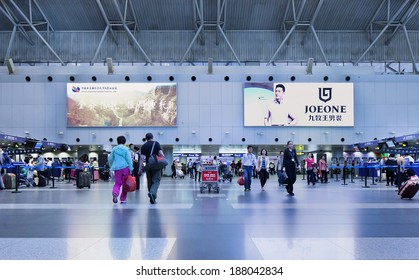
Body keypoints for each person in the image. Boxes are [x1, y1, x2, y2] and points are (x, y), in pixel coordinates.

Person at [139, 132, 165, 204]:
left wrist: (140, 169)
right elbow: (161, 154)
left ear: (146, 138)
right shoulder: (156, 143)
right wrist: (163, 160)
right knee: (156, 181)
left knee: (149, 181)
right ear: (152, 137)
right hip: (156, 165)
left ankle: (152, 197)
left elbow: (142, 158)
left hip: (148, 165)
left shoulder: (143, 146)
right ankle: (152, 193)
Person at [109, 136, 133, 204]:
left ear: (117, 141)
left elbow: (110, 159)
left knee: (117, 183)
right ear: (125, 142)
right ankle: (123, 199)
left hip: (117, 169)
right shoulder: (126, 149)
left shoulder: (114, 149)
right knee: (125, 184)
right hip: (125, 168)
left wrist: (112, 166)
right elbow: (129, 160)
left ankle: (115, 193)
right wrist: (131, 169)